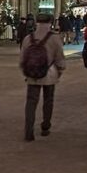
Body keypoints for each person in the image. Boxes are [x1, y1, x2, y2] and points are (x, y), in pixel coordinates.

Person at [19, 11, 65, 141]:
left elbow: (22, 58)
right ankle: (45, 127)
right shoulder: (55, 38)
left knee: (31, 102)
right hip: (49, 74)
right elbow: (60, 58)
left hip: (32, 74)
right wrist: (60, 71)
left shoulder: (29, 38)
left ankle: (28, 131)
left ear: (37, 22)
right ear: (50, 23)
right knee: (48, 100)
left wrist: (26, 71)